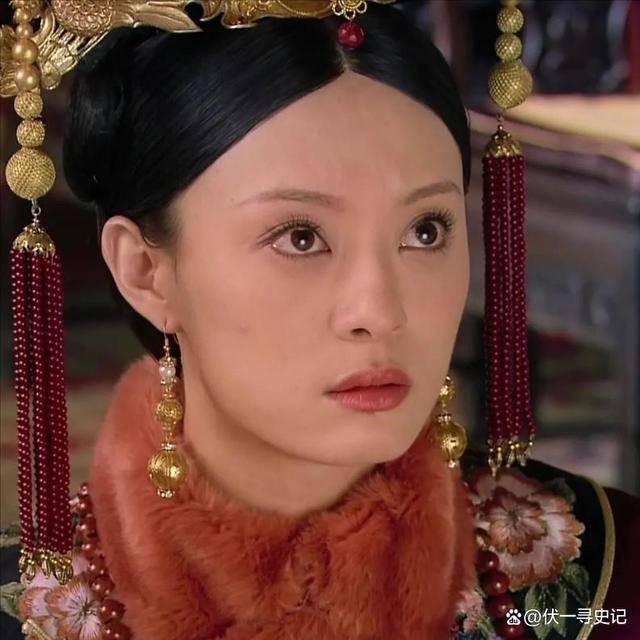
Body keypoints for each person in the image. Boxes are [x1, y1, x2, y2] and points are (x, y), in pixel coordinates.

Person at [0, 2, 638, 639]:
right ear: (145, 271)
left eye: (425, 230)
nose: (380, 312)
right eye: (300, 237)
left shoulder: (611, 578)